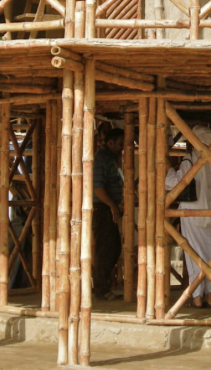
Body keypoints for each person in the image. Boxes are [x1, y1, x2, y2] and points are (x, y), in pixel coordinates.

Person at [164, 126, 211, 308]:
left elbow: (172, 184)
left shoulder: (189, 160)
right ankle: (210, 296)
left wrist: (168, 167)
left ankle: (197, 298)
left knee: (194, 253)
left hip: (191, 211)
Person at [92, 128, 124, 300]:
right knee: (106, 249)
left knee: (113, 247)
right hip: (102, 208)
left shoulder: (111, 159)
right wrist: (112, 205)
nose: (122, 148)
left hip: (108, 208)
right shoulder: (101, 159)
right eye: (120, 144)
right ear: (110, 142)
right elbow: (97, 187)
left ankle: (101, 286)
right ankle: (101, 288)